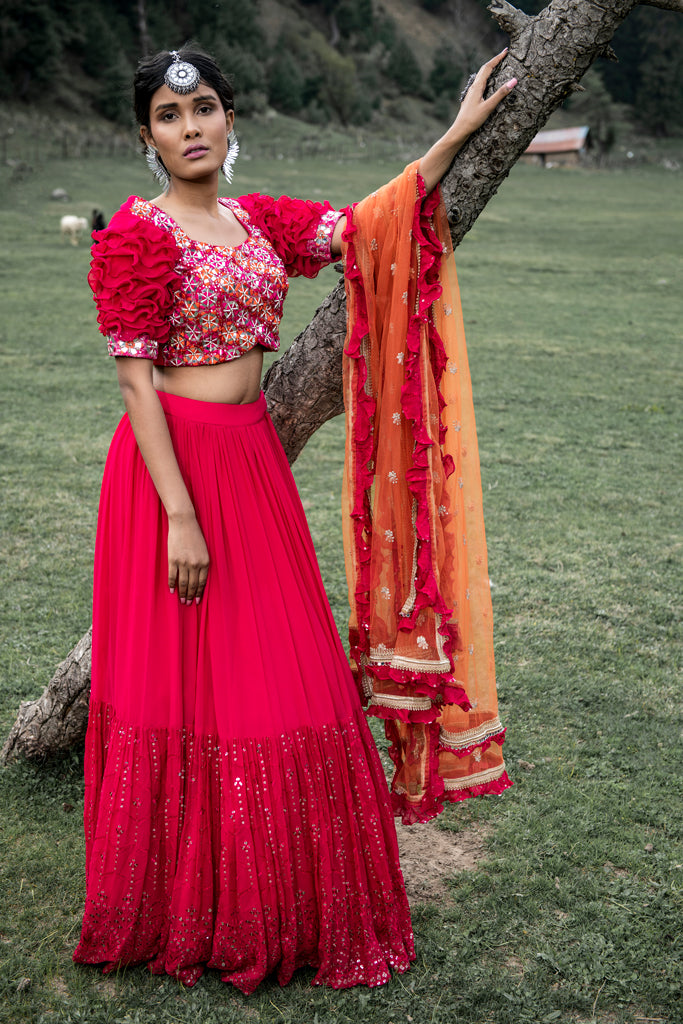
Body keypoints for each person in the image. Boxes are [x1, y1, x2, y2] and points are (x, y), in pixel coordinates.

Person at [73, 46, 515, 992]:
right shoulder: (137, 237)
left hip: (251, 464)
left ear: (231, 121)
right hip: (172, 476)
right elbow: (134, 384)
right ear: (145, 134)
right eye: (167, 114)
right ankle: (176, 904)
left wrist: (456, 134)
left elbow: (363, 230)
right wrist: (179, 517)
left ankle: (286, 901)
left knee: (287, 679)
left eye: (205, 110)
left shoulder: (254, 221)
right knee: (180, 686)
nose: (191, 129)